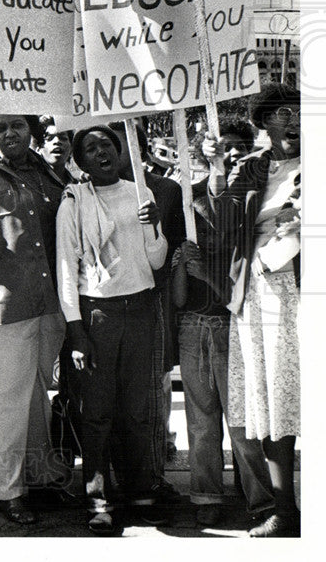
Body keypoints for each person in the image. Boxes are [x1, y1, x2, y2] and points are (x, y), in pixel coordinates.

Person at [0, 115, 69, 525]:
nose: (9, 134)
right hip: (6, 307)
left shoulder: (49, 174)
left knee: (39, 395)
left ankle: (39, 475)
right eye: (0, 127)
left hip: (53, 303)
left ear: (30, 129)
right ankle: (7, 490)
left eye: (16, 125)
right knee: (9, 400)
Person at [201, 83, 301, 538]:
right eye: (282, 112)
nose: (294, 118)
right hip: (261, 291)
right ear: (264, 122)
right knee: (271, 396)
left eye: (300, 109)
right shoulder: (253, 169)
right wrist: (217, 169)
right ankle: (285, 508)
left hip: (303, 286)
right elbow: (220, 221)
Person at [56, 126, 167, 535]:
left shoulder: (141, 194)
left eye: (107, 144)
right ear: (80, 160)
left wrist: (153, 227)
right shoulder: (74, 202)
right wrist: (77, 331)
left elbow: (156, 261)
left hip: (140, 309)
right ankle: (99, 499)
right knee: (98, 414)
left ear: (121, 152)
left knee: (138, 410)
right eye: (91, 147)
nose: (101, 151)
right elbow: (68, 268)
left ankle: (140, 490)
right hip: (97, 315)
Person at [171, 172, 274, 527]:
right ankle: (206, 494)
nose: (209, 235)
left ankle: (258, 495)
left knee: (242, 421)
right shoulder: (188, 250)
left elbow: (237, 302)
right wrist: (185, 266)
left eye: (215, 228)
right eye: (202, 228)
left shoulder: (237, 253)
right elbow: (180, 299)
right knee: (201, 421)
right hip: (192, 330)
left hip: (230, 330)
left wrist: (208, 274)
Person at [108, 121, 186, 501]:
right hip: (106, 309)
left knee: (152, 399)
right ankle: (114, 480)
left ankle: (151, 478)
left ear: (140, 148)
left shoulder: (168, 191)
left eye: (122, 144)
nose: (112, 154)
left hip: (153, 307)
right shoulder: (87, 193)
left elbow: (174, 256)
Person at [35, 116, 78, 183]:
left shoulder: (78, 186)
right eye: (49, 138)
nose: (57, 141)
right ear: (38, 149)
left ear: (71, 149)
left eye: (63, 138)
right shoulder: (31, 183)